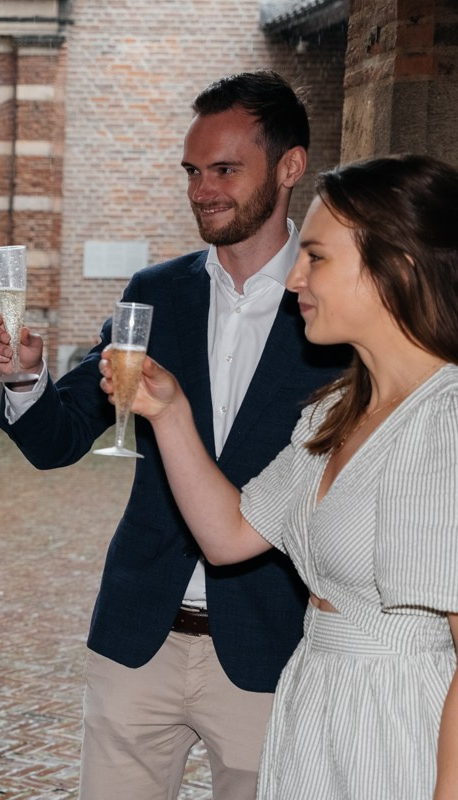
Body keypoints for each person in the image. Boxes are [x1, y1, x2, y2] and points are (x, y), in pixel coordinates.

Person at [0, 71, 349, 799]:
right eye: (191, 171)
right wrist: (25, 378)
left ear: (290, 167)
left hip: (273, 647)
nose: (201, 189)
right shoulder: (155, 293)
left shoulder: (332, 311)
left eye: (224, 170)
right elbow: (59, 439)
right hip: (138, 639)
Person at [102, 153, 458, 799]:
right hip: (313, 709)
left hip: (396, 728)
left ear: (398, 269)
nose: (294, 279)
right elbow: (229, 535)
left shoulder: (446, 421)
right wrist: (170, 412)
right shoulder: (336, 410)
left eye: (315, 257)